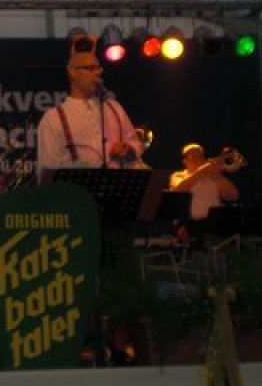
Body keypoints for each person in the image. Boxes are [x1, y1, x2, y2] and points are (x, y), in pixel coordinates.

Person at [36, 35, 144, 184]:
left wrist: (128, 150)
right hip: (77, 193)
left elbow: (136, 145)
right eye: (89, 68)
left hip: (117, 187)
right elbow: (47, 171)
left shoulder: (114, 108)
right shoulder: (54, 118)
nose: (97, 73)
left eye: (98, 68)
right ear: (72, 72)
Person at [169, 143, 241, 246]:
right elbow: (177, 191)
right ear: (185, 161)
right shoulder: (178, 175)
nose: (199, 160)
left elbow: (233, 195)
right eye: (194, 157)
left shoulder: (213, 176)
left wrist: (217, 176)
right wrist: (202, 170)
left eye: (201, 157)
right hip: (191, 224)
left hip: (215, 224)